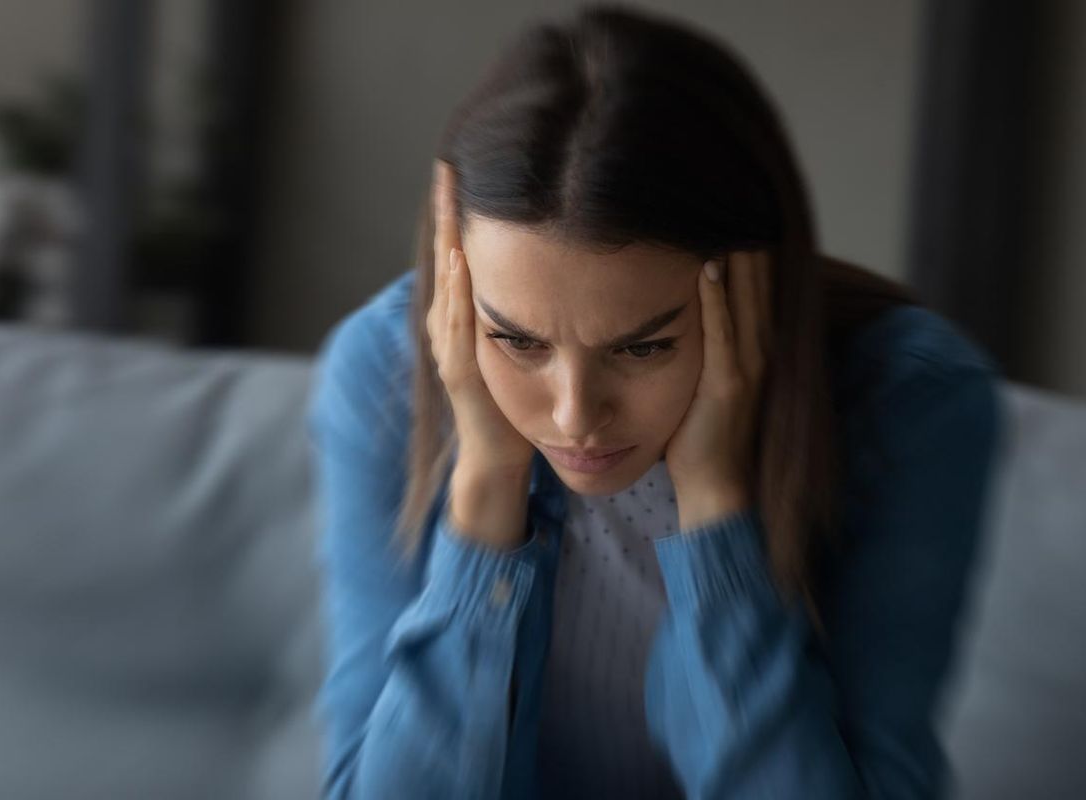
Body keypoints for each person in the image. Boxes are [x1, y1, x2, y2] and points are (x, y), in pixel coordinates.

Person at [306, 5, 1007, 799]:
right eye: (518, 342)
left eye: (644, 347)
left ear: (755, 289)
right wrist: (485, 489)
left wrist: (714, 513)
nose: (575, 416)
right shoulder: (381, 375)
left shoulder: (913, 401)